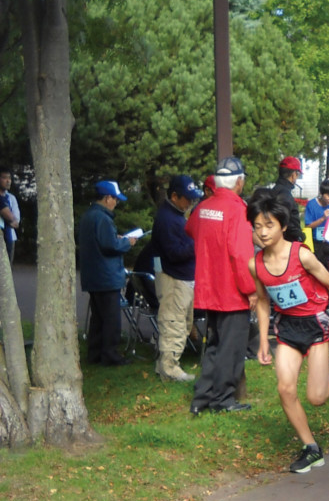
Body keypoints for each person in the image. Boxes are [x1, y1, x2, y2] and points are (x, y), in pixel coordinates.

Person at [247, 190, 329, 473]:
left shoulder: (301, 255)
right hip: (288, 329)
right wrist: (262, 343)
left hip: (316, 324)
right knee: (285, 388)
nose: (263, 233)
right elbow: (263, 302)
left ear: (282, 226)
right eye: (257, 227)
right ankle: (311, 448)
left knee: (317, 398)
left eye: (269, 225)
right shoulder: (256, 264)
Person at [188, 157, 257, 414]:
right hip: (231, 290)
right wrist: (250, 289)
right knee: (232, 348)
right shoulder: (238, 210)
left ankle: (202, 397)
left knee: (214, 345)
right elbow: (241, 254)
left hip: (209, 286)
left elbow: (191, 230)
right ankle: (223, 400)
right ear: (239, 182)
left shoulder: (204, 207)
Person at [79, 180, 142, 365]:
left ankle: (95, 353)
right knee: (111, 319)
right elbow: (110, 246)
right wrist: (127, 242)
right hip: (106, 276)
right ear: (107, 198)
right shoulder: (104, 219)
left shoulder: (88, 216)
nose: (116, 203)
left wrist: (116, 239)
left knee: (98, 318)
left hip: (93, 275)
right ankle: (110, 355)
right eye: (115, 199)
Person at [150, 174, 202, 382]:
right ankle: (170, 370)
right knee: (174, 323)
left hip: (181, 278)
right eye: (187, 198)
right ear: (174, 196)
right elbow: (174, 253)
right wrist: (196, 242)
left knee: (183, 322)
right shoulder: (167, 219)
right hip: (173, 279)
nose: (191, 203)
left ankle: (164, 365)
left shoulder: (175, 215)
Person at [267, 156, 304, 242]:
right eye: (297, 175)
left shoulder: (274, 191)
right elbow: (285, 221)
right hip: (286, 243)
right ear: (294, 174)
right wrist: (299, 236)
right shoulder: (285, 194)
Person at [304, 179, 329, 264]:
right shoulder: (312, 204)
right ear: (321, 193)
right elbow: (308, 226)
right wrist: (322, 218)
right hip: (317, 243)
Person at [0, 166, 19, 262]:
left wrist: (10, 220)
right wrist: (10, 219)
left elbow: (16, 221)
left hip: (10, 237)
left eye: (9, 178)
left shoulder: (11, 198)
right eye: (4, 178)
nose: (8, 181)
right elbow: (9, 217)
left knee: (8, 271)